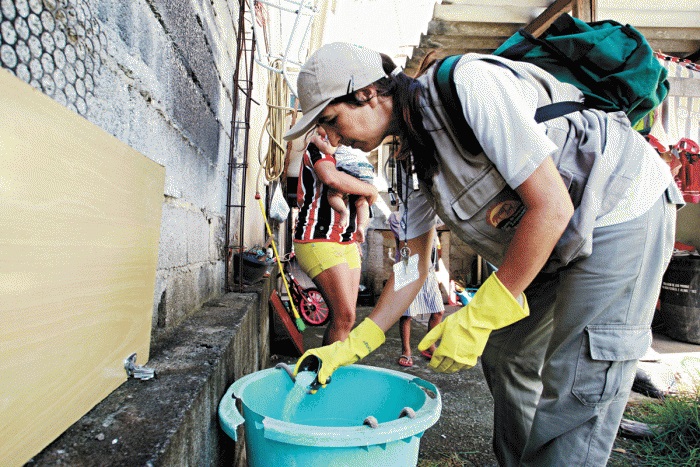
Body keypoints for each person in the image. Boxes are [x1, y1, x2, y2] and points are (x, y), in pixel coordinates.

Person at [284, 42, 684, 466]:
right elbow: (412, 270)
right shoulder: (413, 160)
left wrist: (478, 316)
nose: (331, 135)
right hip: (556, 238)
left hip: (619, 208)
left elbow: (551, 206)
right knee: (507, 356)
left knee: (578, 384)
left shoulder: (470, 84)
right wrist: (353, 346)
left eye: (331, 118)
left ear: (366, 92)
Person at [293, 133, 378, 345]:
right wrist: (369, 188)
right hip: (318, 238)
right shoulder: (318, 148)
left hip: (348, 241)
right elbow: (331, 178)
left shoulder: (351, 151)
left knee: (347, 319)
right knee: (344, 316)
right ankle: (323, 373)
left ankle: (332, 369)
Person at [388, 210, 444, 367]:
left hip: (428, 267)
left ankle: (429, 345)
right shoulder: (396, 217)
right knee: (407, 314)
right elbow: (405, 240)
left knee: (438, 310)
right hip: (408, 266)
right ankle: (406, 351)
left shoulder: (431, 214)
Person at [326, 145, 375, 243]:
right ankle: (361, 226)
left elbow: (329, 149)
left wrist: (317, 141)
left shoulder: (339, 136)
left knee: (334, 194)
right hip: (366, 169)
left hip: (349, 166)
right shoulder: (360, 139)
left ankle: (343, 211)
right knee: (362, 201)